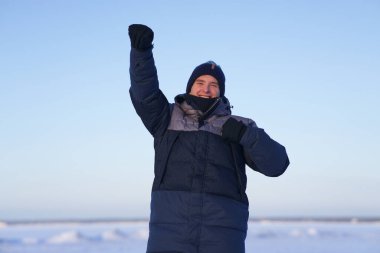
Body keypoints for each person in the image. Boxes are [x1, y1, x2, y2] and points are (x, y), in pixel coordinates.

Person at [128, 24, 289, 253]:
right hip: (170, 231)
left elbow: (277, 165)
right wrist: (141, 53)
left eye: (213, 85)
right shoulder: (166, 118)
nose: (206, 89)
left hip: (223, 234)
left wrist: (248, 136)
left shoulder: (240, 126)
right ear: (190, 88)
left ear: (221, 92)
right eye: (200, 83)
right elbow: (145, 93)